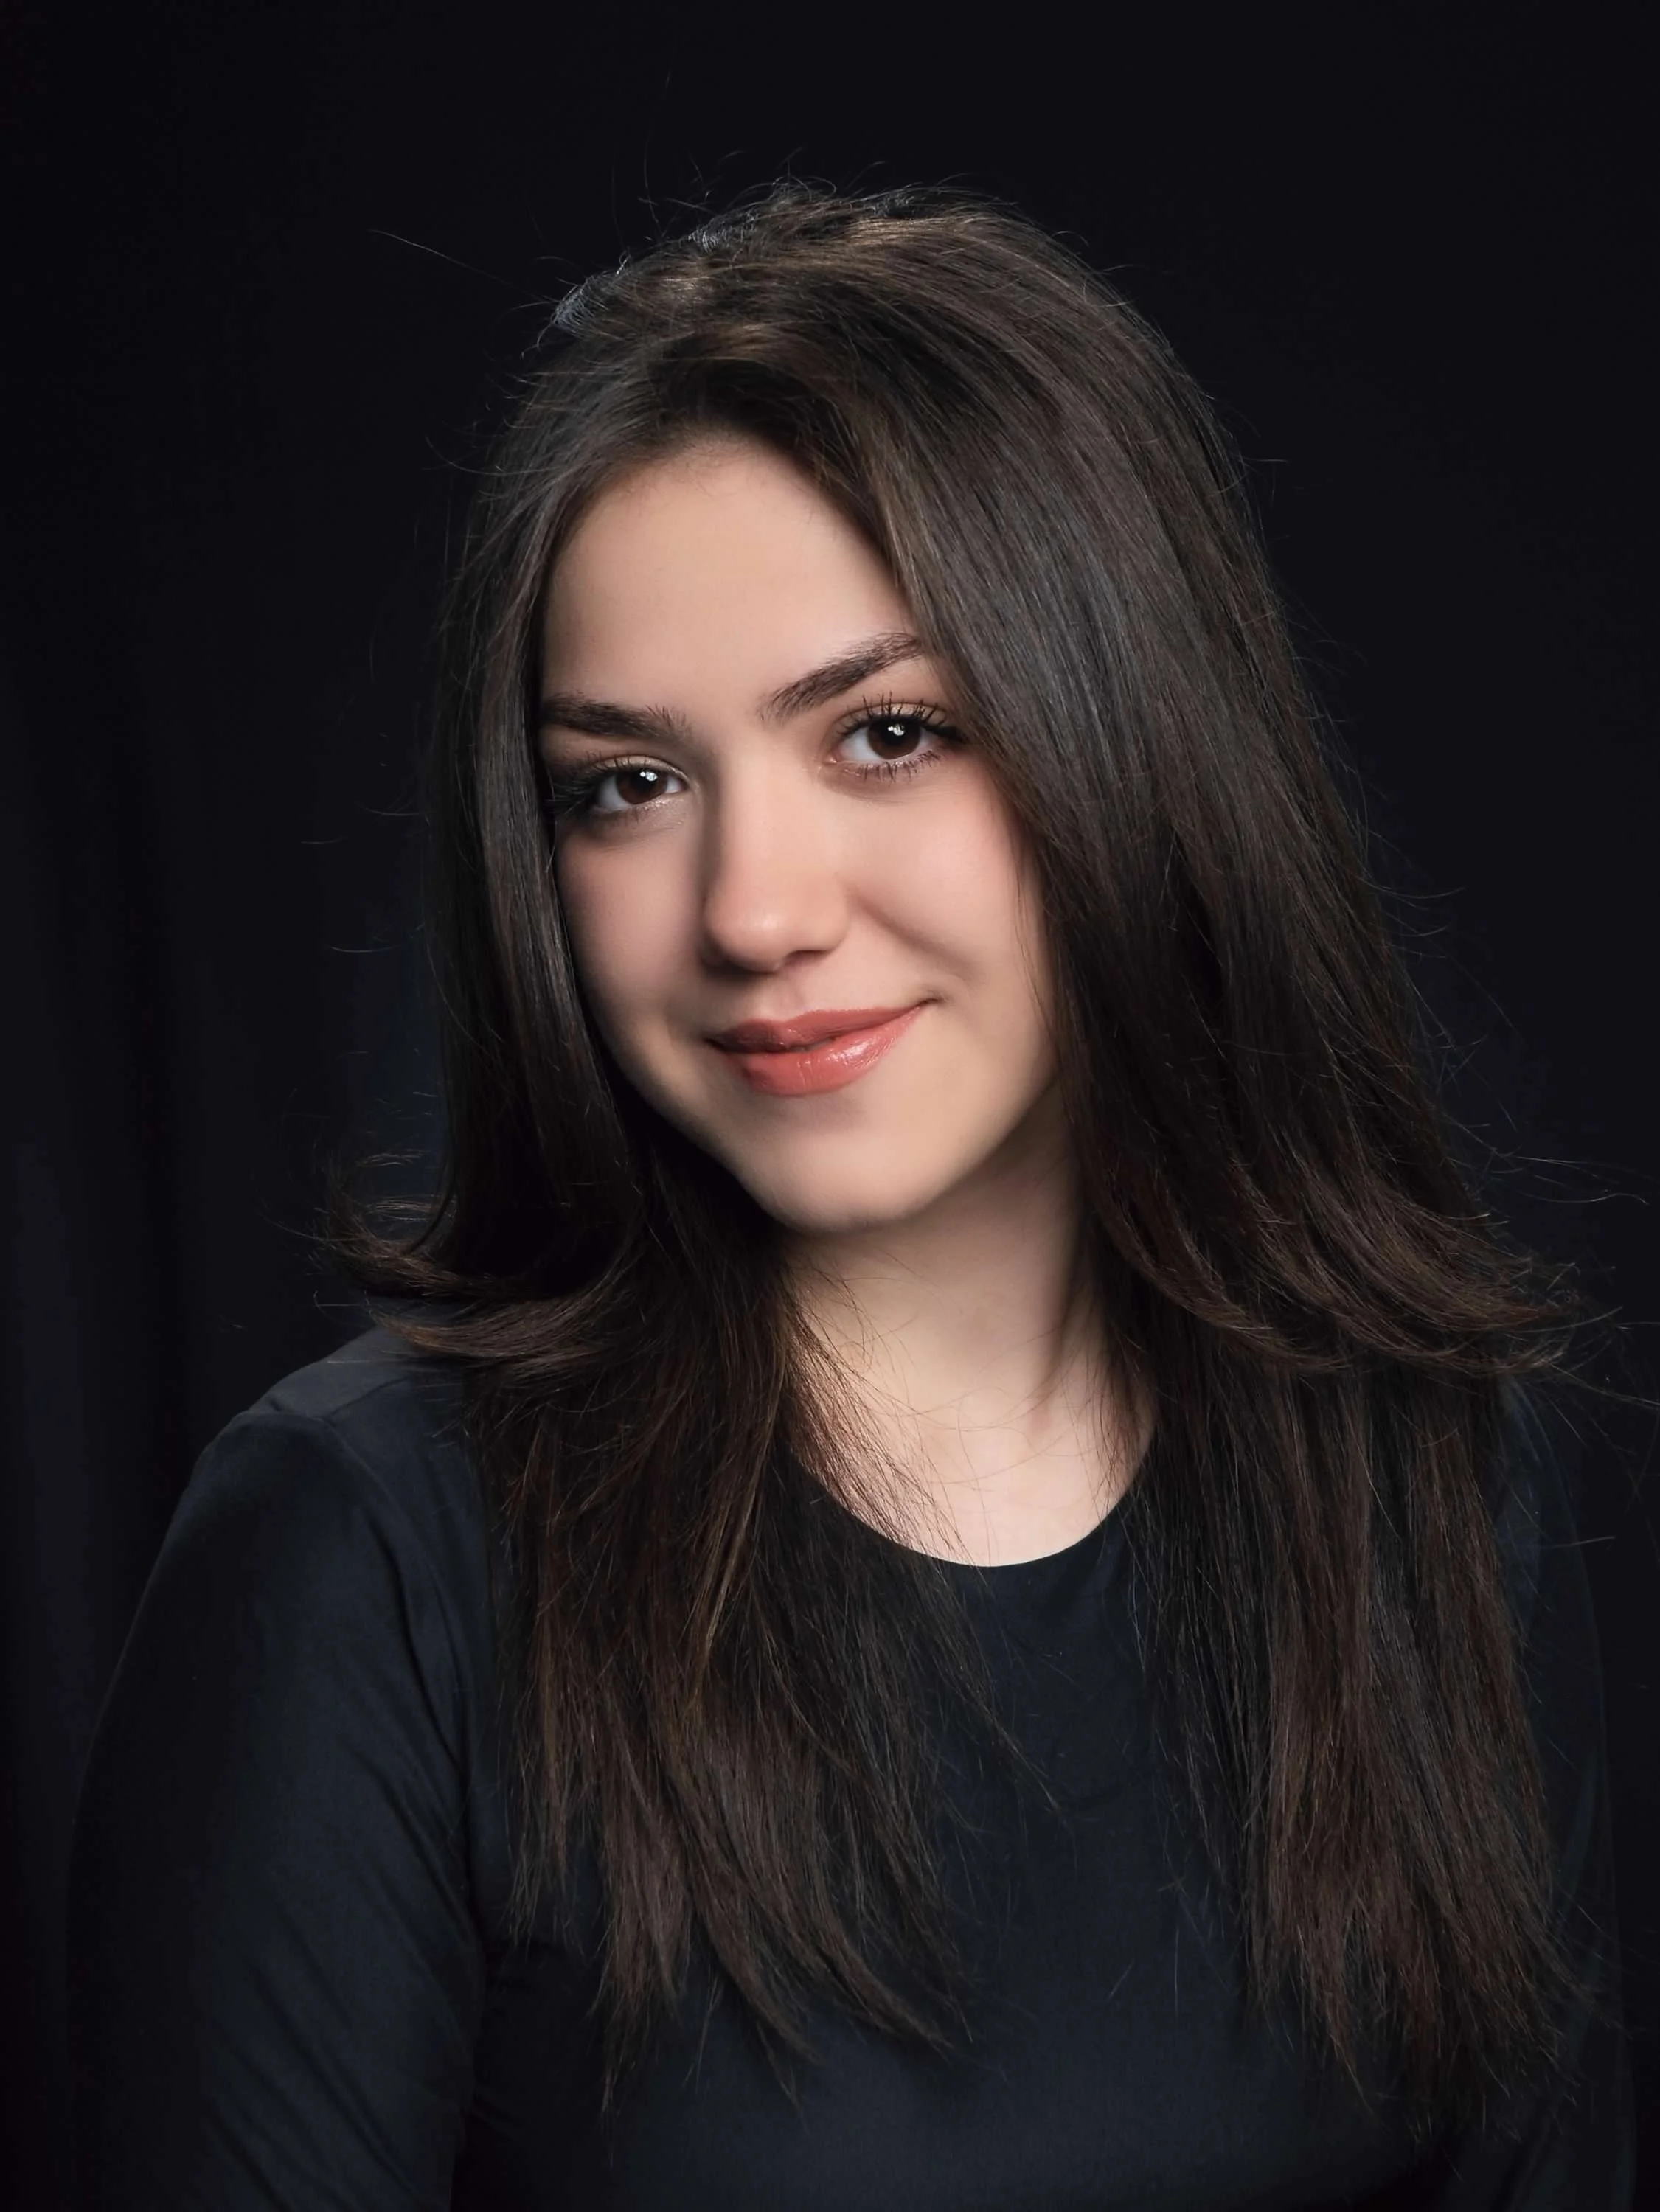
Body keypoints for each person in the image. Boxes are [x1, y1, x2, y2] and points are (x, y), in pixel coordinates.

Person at [66, 186, 1633, 2208]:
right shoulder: (363, 1562)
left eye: (888, 736)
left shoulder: (1438, 1488)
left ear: (1137, 743)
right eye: (624, 785)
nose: (754, 912)